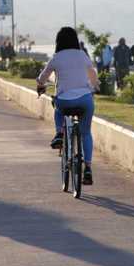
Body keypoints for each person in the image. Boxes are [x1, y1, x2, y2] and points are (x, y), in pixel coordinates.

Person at [36, 27, 99, 185]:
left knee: (57, 106)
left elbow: (42, 77)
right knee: (86, 133)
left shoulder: (57, 57)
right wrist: (95, 87)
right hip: (85, 100)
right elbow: (93, 75)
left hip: (64, 101)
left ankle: (59, 133)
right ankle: (88, 168)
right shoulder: (82, 55)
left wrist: (41, 86)